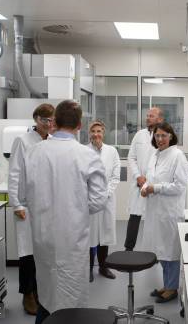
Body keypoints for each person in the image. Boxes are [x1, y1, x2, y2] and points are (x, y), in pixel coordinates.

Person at [20, 100, 108, 324]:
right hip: (72, 236)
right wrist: (74, 209)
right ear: (80, 125)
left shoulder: (34, 152)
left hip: (43, 235)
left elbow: (23, 194)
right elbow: (98, 200)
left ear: (54, 123)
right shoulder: (87, 156)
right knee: (72, 295)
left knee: (47, 292)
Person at [7, 103, 56, 315]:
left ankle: (40, 293)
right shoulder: (23, 140)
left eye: (52, 120)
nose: (48, 124)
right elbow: (14, 173)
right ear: (36, 119)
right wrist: (15, 203)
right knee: (27, 253)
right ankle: (27, 294)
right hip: (26, 206)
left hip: (46, 206)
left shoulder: (54, 142)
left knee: (42, 252)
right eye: (45, 120)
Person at [141, 122, 187, 303]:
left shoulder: (177, 156)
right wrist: (145, 187)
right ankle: (167, 285)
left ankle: (172, 288)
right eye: (157, 136)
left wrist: (155, 188)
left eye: (163, 136)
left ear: (171, 137)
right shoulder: (155, 155)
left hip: (169, 212)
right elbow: (149, 177)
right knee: (161, 251)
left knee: (170, 252)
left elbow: (179, 186)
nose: (160, 139)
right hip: (155, 211)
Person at [125, 107, 164, 251]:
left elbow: (165, 160)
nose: (148, 118)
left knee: (154, 220)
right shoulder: (139, 135)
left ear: (160, 119)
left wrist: (152, 179)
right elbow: (131, 157)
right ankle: (128, 249)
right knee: (134, 217)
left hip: (154, 185)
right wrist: (138, 176)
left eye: (151, 116)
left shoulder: (164, 136)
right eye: (147, 115)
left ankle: (154, 251)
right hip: (139, 183)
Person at [87, 120, 120, 282]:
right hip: (89, 200)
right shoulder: (84, 151)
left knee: (104, 235)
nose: (96, 134)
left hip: (107, 200)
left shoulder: (111, 151)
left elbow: (115, 176)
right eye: (93, 131)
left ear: (103, 133)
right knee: (90, 235)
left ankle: (103, 267)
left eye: (99, 131)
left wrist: (105, 194)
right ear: (89, 134)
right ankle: (88, 269)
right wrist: (94, 195)